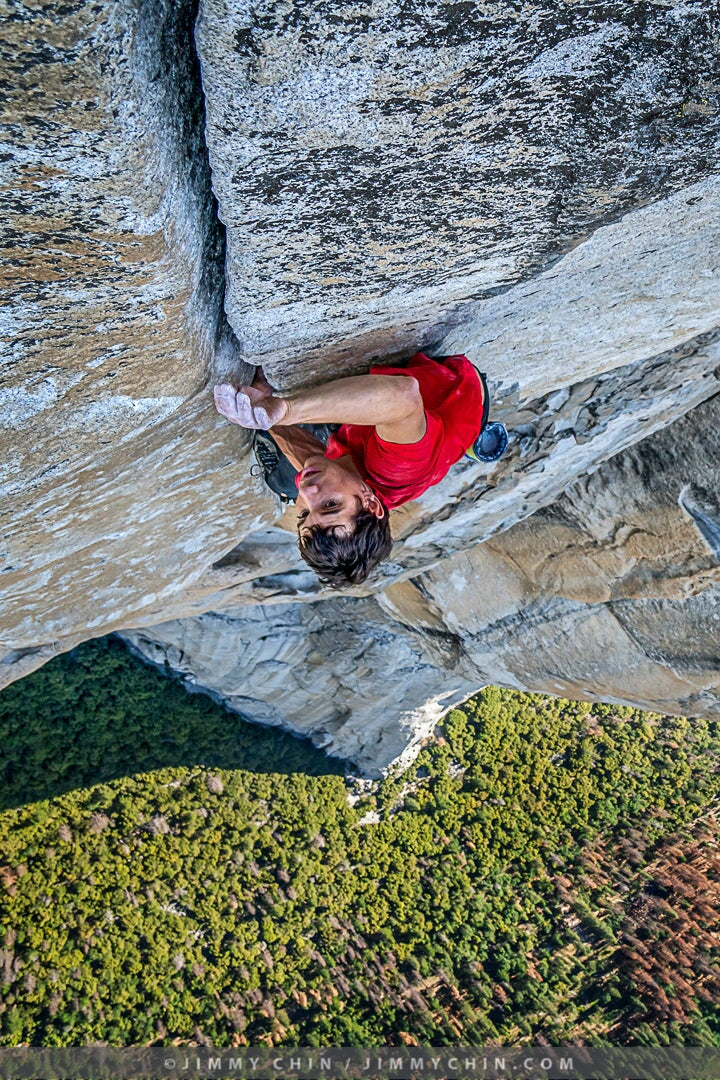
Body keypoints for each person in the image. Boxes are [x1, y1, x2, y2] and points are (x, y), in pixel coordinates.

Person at [214, 353, 487, 587]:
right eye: (331, 505)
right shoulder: (398, 468)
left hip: (375, 443)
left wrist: (263, 412)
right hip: (454, 387)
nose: (308, 493)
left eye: (304, 515)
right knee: (293, 472)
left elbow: (307, 457)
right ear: (370, 502)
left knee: (289, 481)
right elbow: (403, 395)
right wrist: (286, 410)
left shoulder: (332, 487)